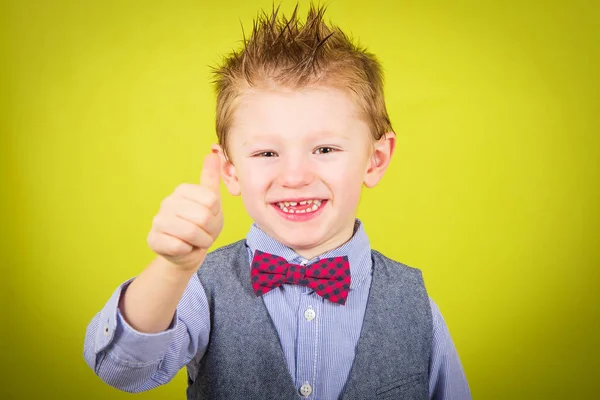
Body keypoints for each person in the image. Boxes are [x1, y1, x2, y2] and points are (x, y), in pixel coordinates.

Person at [83, 4, 471, 399]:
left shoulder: (415, 307)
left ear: (375, 160)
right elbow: (121, 370)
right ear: (231, 171)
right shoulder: (199, 290)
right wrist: (172, 268)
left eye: (324, 148)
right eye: (267, 154)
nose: (295, 176)